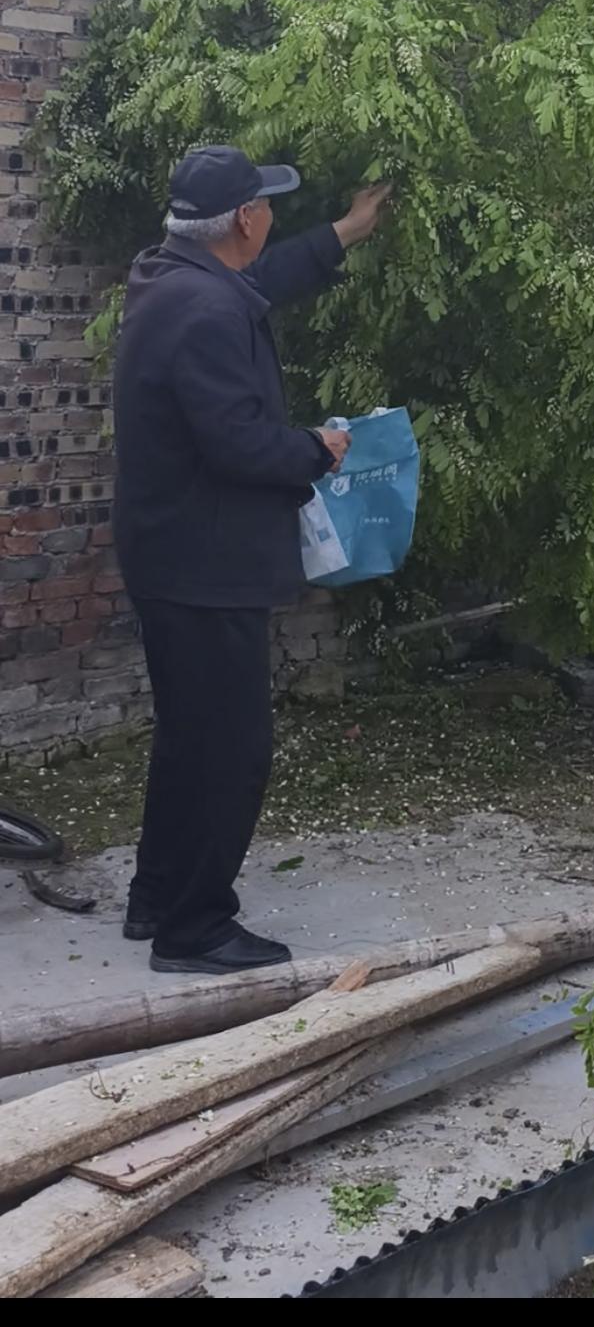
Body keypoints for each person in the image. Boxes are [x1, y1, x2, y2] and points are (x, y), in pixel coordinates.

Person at [112, 147, 391, 975]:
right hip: (203, 563)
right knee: (233, 747)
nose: (270, 214)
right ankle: (194, 927)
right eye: (266, 204)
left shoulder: (176, 278)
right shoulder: (205, 312)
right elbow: (236, 444)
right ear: (243, 219)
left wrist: (346, 230)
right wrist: (318, 447)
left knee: (188, 736)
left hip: (171, 551)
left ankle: (156, 896)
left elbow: (264, 279)